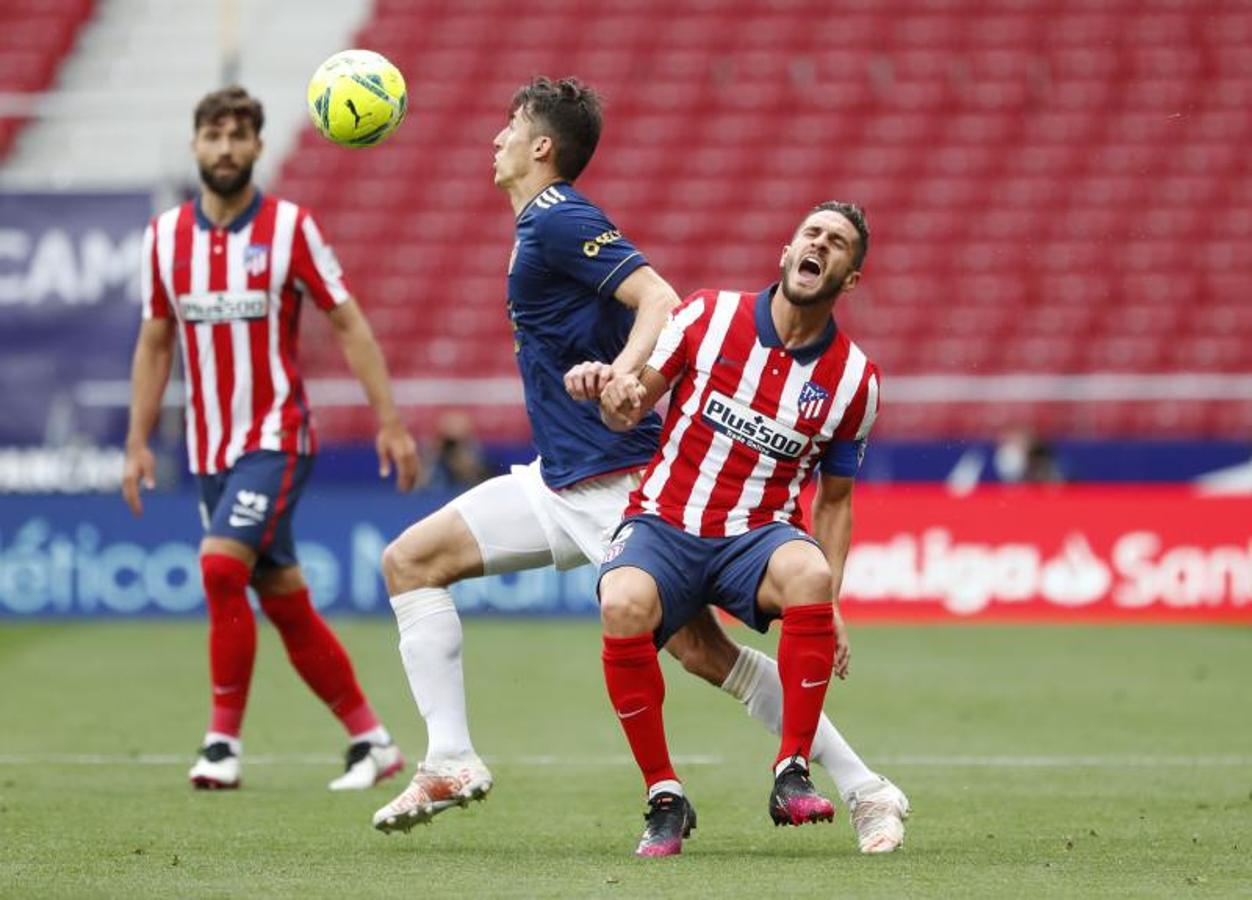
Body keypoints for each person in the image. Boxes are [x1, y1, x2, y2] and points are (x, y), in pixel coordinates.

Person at [372, 77, 907, 854]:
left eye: (510, 125)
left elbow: (656, 297)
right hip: (557, 476)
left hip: (618, 481)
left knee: (702, 653)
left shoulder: (559, 216)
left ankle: (864, 787)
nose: (497, 138)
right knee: (410, 563)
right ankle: (450, 758)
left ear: (541, 146)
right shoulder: (534, 226)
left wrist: (620, 374)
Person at [122, 86, 419, 791]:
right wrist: (137, 441)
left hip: (276, 436)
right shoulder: (163, 239)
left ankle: (221, 746)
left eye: (238, 136)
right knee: (282, 597)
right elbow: (155, 339)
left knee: (222, 568)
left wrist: (391, 422)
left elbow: (347, 322)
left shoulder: (290, 229)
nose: (225, 148)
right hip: (208, 447)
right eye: (213, 135)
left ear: (258, 146)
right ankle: (372, 742)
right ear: (195, 146)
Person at [595, 201, 881, 856]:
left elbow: (834, 502)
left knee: (809, 574)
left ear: (851, 277)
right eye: (811, 233)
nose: (820, 244)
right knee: (622, 604)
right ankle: (663, 795)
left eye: (837, 243)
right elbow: (633, 400)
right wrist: (616, 395)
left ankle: (792, 772)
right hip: (665, 521)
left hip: (756, 534)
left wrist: (831, 597)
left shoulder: (855, 382)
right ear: (787, 251)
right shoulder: (706, 315)